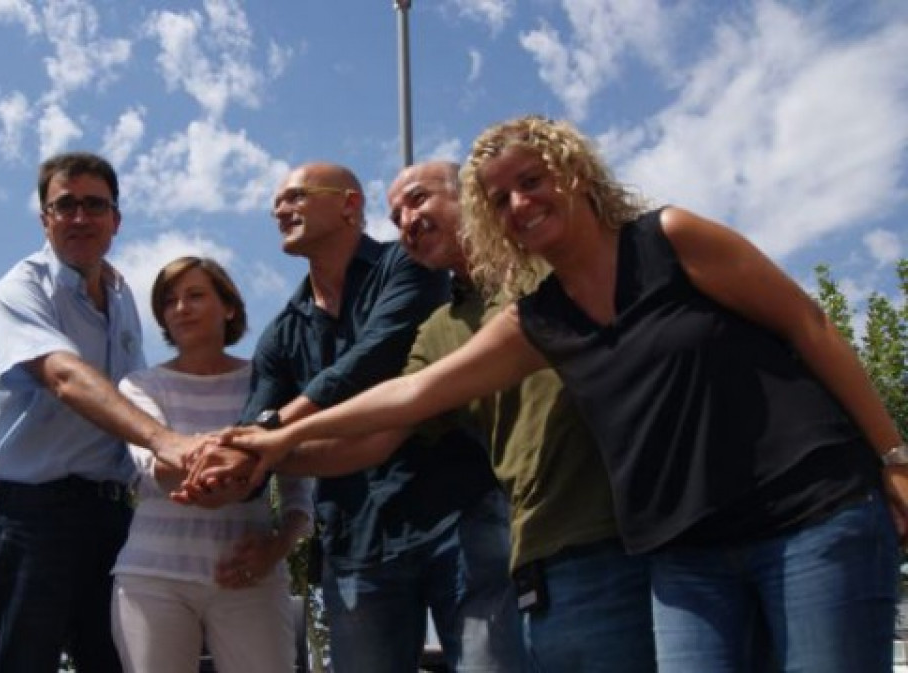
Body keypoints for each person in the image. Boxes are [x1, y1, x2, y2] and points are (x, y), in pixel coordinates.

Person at [224, 117, 906, 672]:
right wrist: (278, 442)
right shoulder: (536, 318)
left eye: (531, 182)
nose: (519, 204)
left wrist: (894, 457)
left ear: (576, 172)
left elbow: (807, 324)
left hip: (807, 512)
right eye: (500, 199)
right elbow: (410, 395)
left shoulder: (665, 240)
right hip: (681, 550)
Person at [263, 159, 651, 672]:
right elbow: (389, 419)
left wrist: (277, 433)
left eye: (418, 199)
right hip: (543, 548)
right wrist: (266, 451)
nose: (407, 221)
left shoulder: (550, 264)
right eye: (396, 215)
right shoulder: (439, 330)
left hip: (628, 528)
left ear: (471, 196)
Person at [182, 161, 459, 672]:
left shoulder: (410, 265)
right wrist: (225, 474)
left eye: (296, 196)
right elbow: (255, 426)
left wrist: (266, 437)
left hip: (453, 518)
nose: (280, 210)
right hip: (356, 542)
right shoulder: (280, 335)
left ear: (349, 204)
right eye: (276, 203)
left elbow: (372, 359)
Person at [0, 151, 204, 673]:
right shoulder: (18, 292)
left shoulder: (122, 299)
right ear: (45, 219)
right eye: (65, 205)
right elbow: (64, 376)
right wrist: (165, 441)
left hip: (113, 518)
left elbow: (137, 394)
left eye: (95, 205)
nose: (80, 217)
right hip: (34, 517)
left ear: (115, 220)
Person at [110, 256, 313, 673]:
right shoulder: (140, 385)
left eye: (195, 295)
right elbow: (153, 466)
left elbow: (299, 489)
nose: (181, 308)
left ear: (230, 307)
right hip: (153, 578)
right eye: (169, 301)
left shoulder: (268, 383)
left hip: (251, 575)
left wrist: (276, 549)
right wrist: (235, 461)